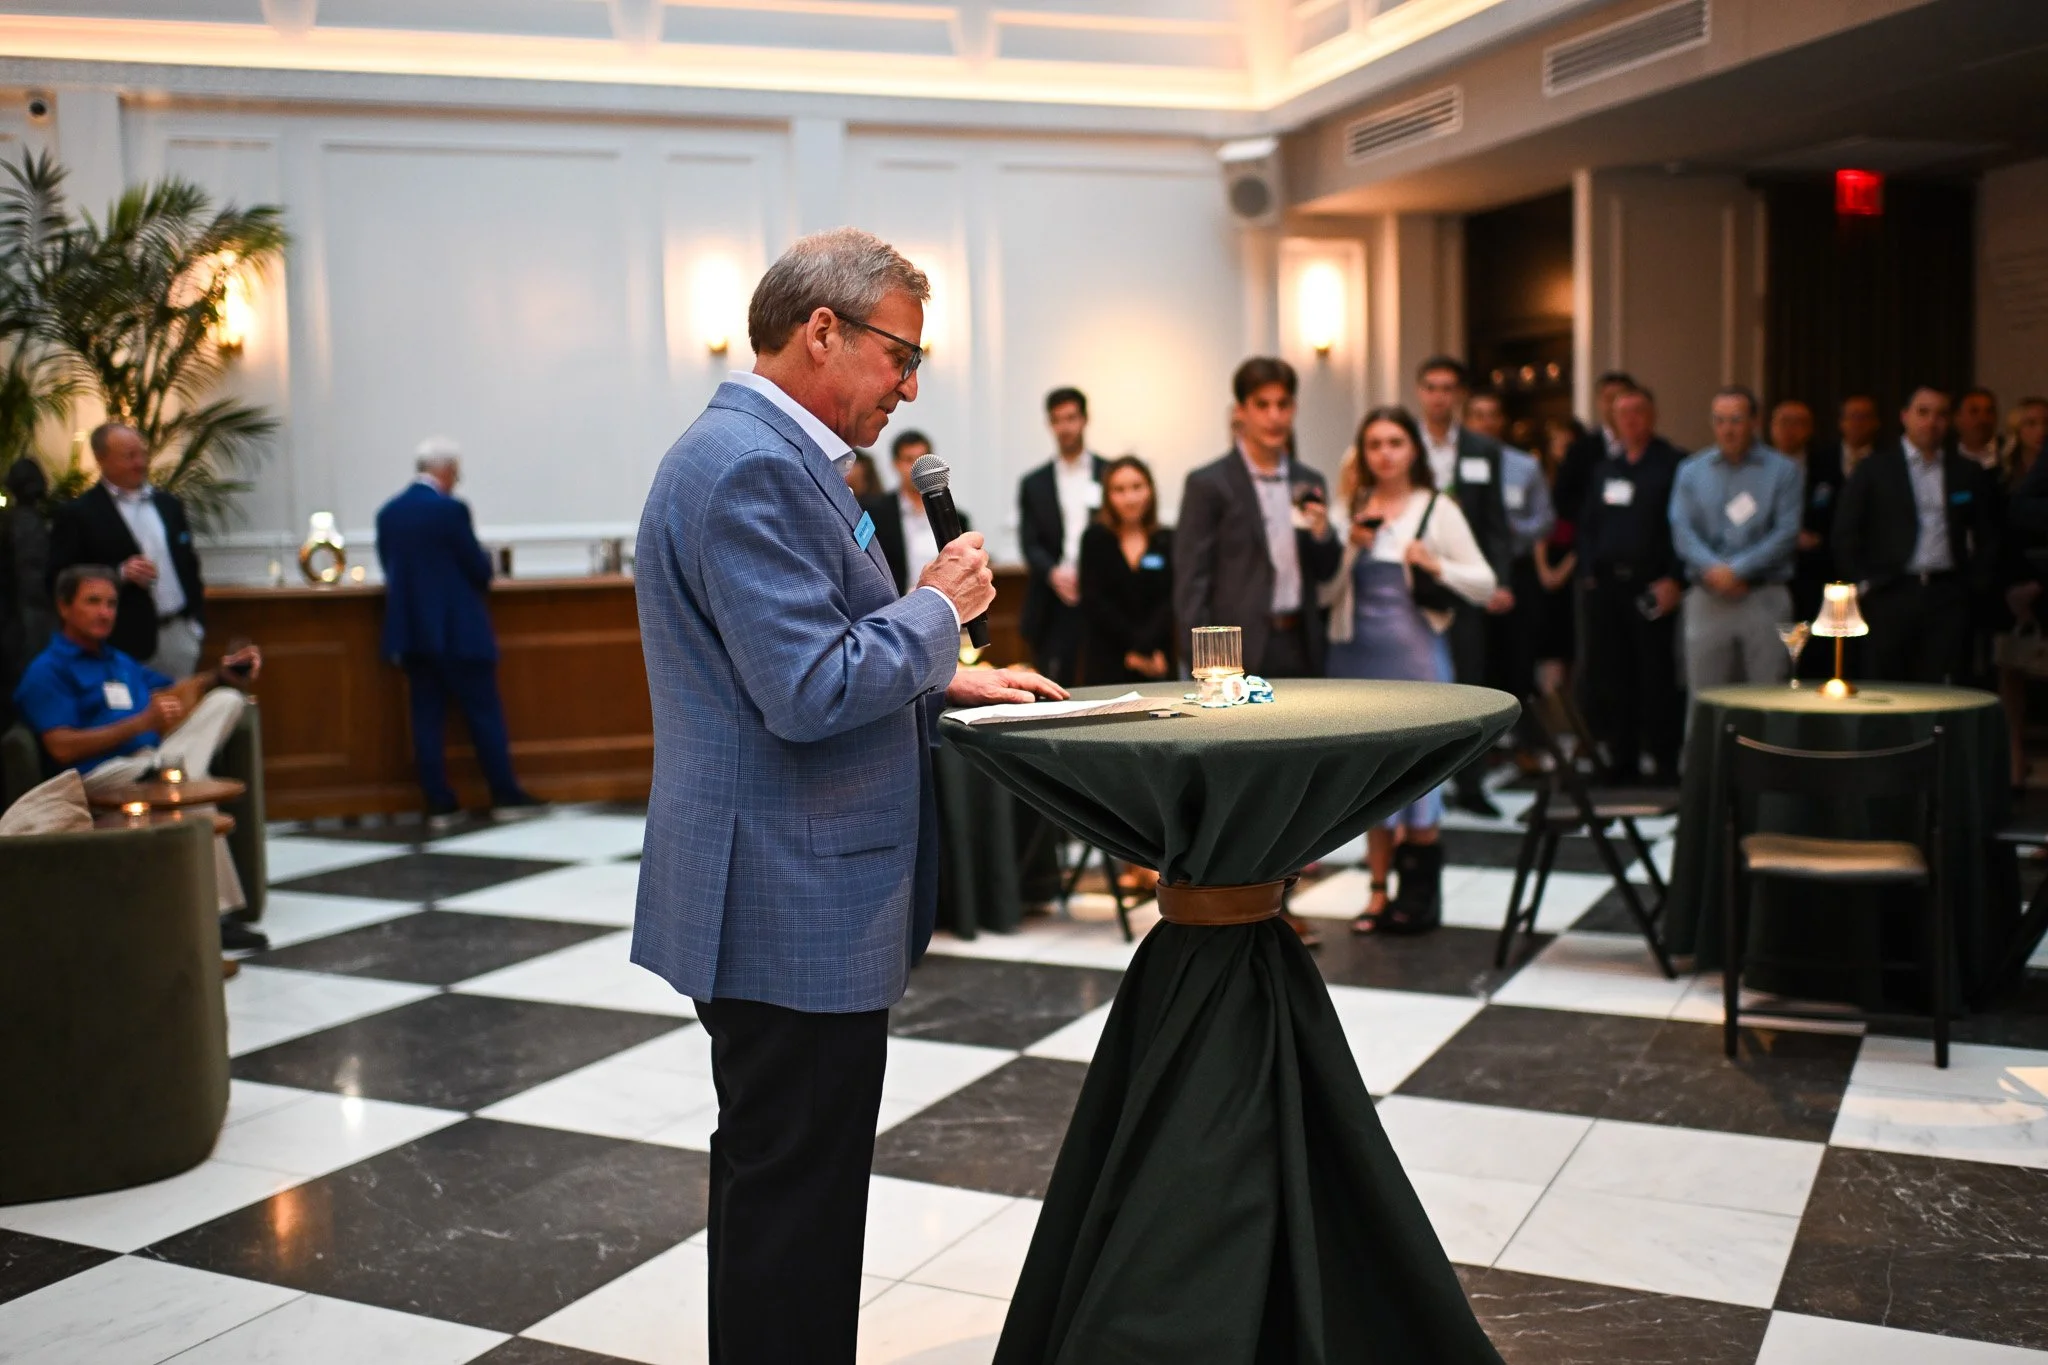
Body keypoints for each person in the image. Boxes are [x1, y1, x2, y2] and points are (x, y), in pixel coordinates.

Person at [632, 227, 1063, 1365]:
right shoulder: (752, 467)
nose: (908, 386)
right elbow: (810, 689)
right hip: (785, 893)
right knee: (797, 1206)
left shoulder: (763, 454)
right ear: (821, 330)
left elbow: (802, 648)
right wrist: (937, 608)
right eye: (898, 355)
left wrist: (948, 670)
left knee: (784, 1183)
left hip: (781, 882)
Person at [13, 564, 266, 949]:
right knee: (191, 803)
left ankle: (176, 772)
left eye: (111, 604)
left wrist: (220, 674)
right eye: (93, 602)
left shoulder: (118, 660)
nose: (104, 613)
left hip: (149, 760)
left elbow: (177, 692)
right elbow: (61, 746)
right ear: (64, 608)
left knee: (227, 700)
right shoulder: (47, 670)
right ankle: (215, 916)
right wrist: (139, 723)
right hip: (100, 775)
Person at [1325, 408, 1495, 935]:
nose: (1385, 453)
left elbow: (1485, 582)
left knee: (1420, 776)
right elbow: (1323, 594)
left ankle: (1419, 896)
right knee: (1370, 779)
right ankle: (1377, 894)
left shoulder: (1437, 509)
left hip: (1416, 657)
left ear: (1413, 451)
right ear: (1363, 452)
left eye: (1396, 442)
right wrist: (1350, 548)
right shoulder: (1347, 508)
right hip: (1355, 659)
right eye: (1374, 443)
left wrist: (1435, 564)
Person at [374, 440, 541, 826]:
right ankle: (504, 794)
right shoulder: (450, 510)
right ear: (446, 471)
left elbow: (389, 567)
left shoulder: (388, 513)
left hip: (412, 634)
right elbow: (477, 569)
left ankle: (439, 803)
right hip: (458, 632)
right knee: (483, 714)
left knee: (426, 719)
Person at [1173, 357, 1339, 680]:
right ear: (1241, 410)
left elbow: (1325, 571)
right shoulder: (1209, 482)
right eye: (1262, 405)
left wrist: (1323, 534)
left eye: (1283, 405)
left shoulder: (1308, 480)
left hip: (1300, 641)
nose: (1274, 417)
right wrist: (1205, 662)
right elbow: (1191, 583)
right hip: (1235, 649)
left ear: (1294, 409)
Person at [1834, 385, 1998, 685]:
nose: (1931, 421)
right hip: (1890, 592)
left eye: (1940, 414)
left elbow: (1987, 533)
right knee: (1885, 685)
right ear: (1905, 416)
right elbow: (1845, 532)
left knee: (1943, 686)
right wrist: (1864, 582)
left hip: (1947, 594)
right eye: (1923, 412)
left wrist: (1974, 584)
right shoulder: (1875, 469)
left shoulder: (1967, 472)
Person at [1414, 358, 1513, 815]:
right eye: (1431, 388)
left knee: (1472, 682)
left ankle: (1471, 785)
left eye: (1448, 388)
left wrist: (1500, 580)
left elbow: (1496, 524)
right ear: (1420, 392)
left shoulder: (1481, 449)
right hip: (1416, 581)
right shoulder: (1404, 444)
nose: (1439, 397)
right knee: (1418, 686)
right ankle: (1417, 786)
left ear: (1459, 395)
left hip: (1467, 579)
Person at [1576, 387, 1685, 785]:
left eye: (1638, 411)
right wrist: (1588, 570)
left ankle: (1665, 760)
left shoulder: (1673, 464)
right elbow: (1587, 525)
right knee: (1612, 675)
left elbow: (1682, 527)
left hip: (1652, 586)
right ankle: (1623, 760)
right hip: (1607, 589)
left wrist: (1675, 577)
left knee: (1656, 676)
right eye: (1623, 413)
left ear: (1652, 415)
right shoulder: (1607, 468)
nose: (1631, 420)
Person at [45, 423, 207, 679]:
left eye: (142, 454)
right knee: (136, 717)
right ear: (101, 459)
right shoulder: (79, 514)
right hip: (121, 642)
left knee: (184, 713)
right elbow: (59, 578)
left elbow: (189, 564)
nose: (140, 463)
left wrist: (195, 624)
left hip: (179, 636)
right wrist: (118, 573)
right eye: (129, 456)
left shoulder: (168, 505)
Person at [1670, 387, 1804, 689]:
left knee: (1769, 694)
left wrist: (1737, 570)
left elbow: (1786, 533)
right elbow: (1682, 530)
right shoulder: (1691, 471)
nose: (1727, 429)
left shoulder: (1784, 471)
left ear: (1755, 422)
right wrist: (1717, 571)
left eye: (1736, 420)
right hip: (1708, 596)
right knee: (1706, 698)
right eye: (1720, 420)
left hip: (1763, 595)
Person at [1465, 389, 1552, 708]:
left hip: (1517, 570)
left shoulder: (1526, 466)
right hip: (1471, 572)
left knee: (1518, 657)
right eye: (1478, 415)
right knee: (1478, 658)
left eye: (1492, 415)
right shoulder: (1462, 467)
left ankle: (1521, 738)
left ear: (1502, 421)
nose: (1485, 422)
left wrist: (1516, 529)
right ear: (1467, 421)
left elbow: (1545, 520)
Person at [1018, 387, 1107, 684]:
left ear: (1084, 419)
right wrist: (1055, 574)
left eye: (1071, 418)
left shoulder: (1109, 474)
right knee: (1055, 680)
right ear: (1050, 424)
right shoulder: (1034, 482)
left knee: (1101, 681)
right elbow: (1029, 543)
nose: (1065, 427)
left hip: (1101, 593)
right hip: (1052, 597)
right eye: (1058, 420)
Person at [1077, 455, 1173, 684]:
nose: (1129, 498)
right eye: (1119, 490)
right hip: (1107, 658)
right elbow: (1094, 601)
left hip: (1156, 659)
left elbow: (1169, 601)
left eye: (1137, 487)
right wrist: (1134, 650)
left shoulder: (1166, 539)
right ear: (1107, 496)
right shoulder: (1094, 539)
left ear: (1150, 490)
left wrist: (1145, 650)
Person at [860, 429, 968, 595]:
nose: (915, 467)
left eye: (921, 459)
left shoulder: (955, 516)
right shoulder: (875, 512)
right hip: (896, 603)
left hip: (947, 604)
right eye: (908, 460)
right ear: (895, 464)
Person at [1531, 416, 1583, 696]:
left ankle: (1574, 725)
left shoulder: (1587, 482)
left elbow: (1587, 532)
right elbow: (1539, 530)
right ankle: (1554, 724)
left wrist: (1563, 570)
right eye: (1555, 442)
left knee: (1574, 648)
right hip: (1546, 570)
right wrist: (1544, 570)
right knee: (1548, 650)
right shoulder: (1543, 478)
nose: (1561, 448)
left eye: (1567, 442)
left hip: (1574, 568)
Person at [1552, 370, 1637, 533]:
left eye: (1621, 397)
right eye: (1609, 398)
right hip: (1593, 535)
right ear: (1599, 402)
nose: (1615, 405)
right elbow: (1563, 499)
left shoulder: (1644, 447)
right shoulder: (1581, 449)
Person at [1955, 387, 2001, 473]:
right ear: (1958, 418)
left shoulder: (2009, 454)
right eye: (1974, 411)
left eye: (1989, 411)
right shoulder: (1945, 461)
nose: (1983, 419)